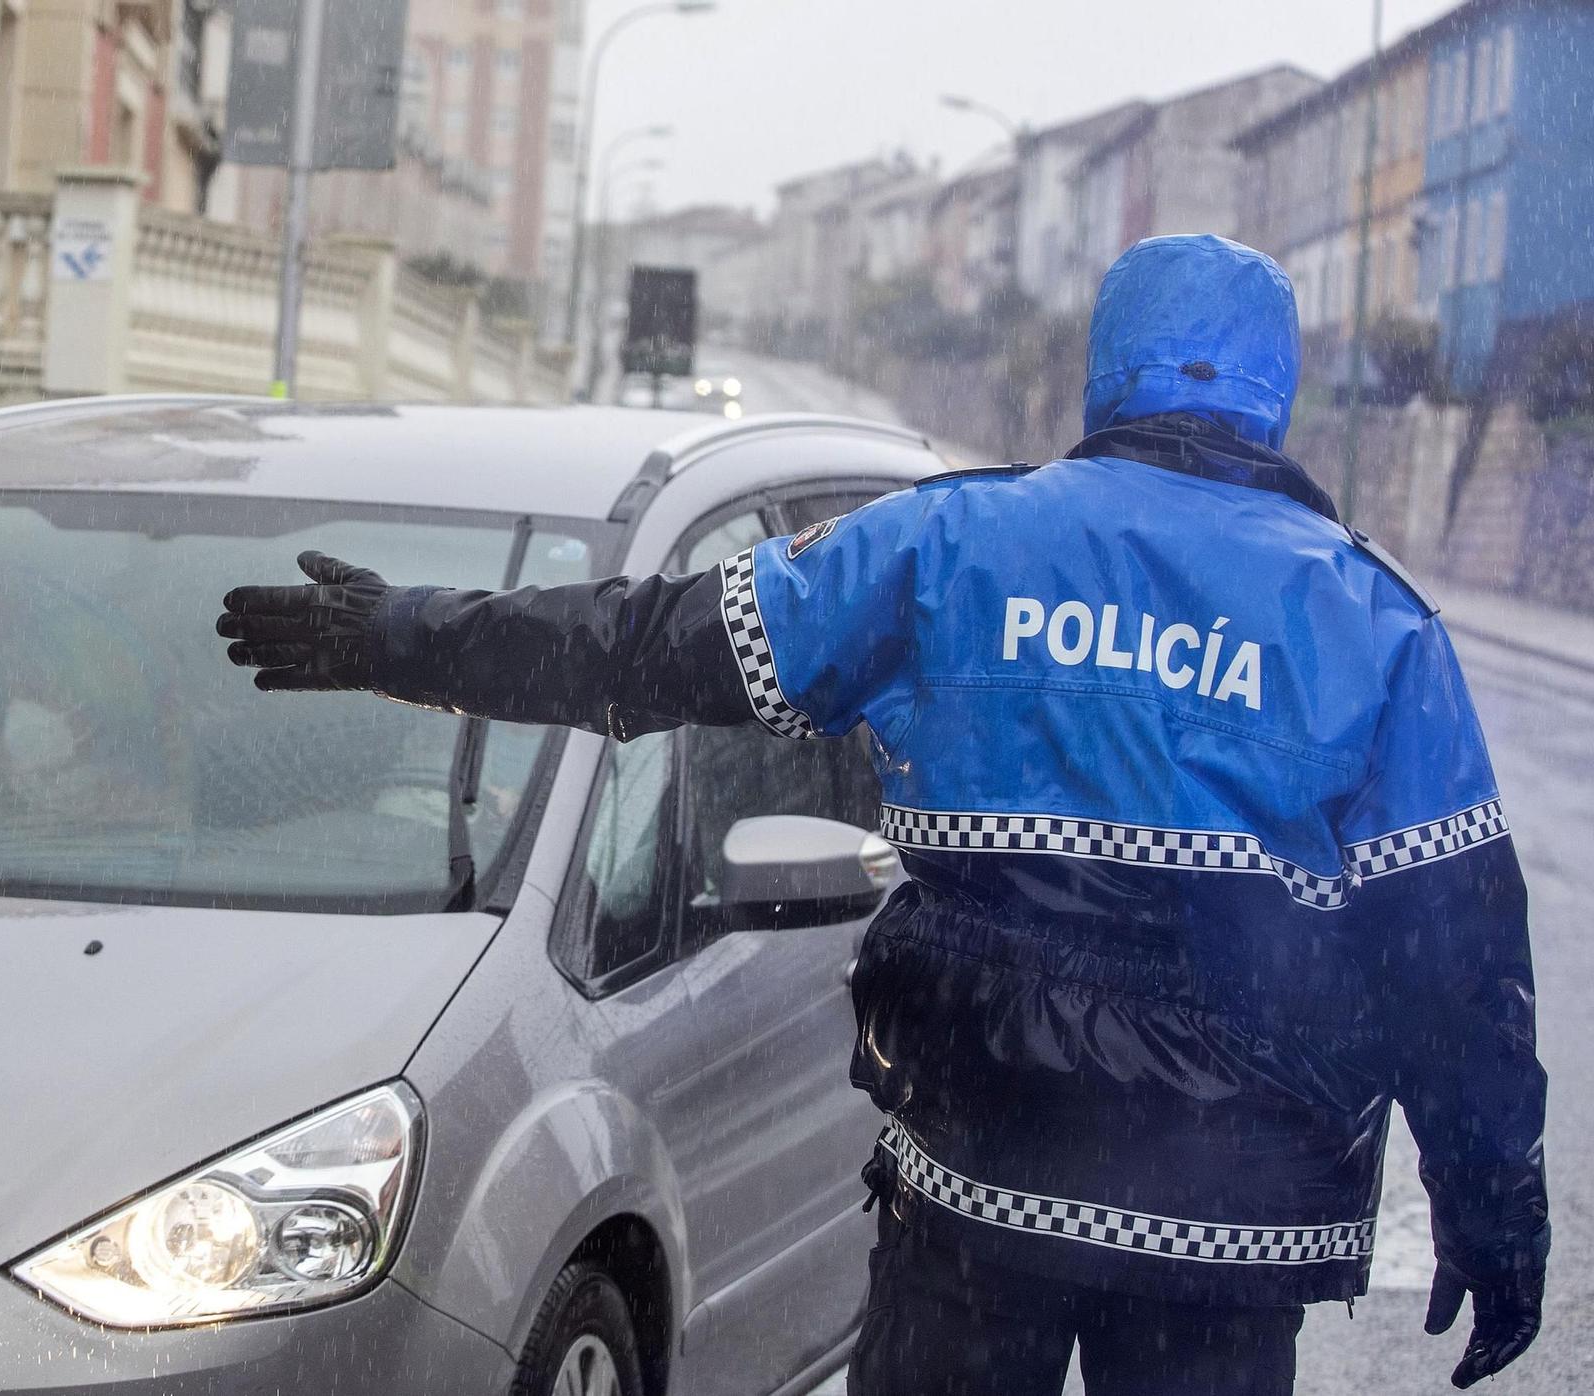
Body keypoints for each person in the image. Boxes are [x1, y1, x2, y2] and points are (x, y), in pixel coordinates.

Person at [216, 235, 1547, 1395]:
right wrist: (1496, 1210)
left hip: (981, 1192)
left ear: (1108, 366)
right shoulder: (1371, 622)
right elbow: (1460, 958)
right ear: (1278, 390)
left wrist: (403, 635)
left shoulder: (953, 547)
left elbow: (654, 650)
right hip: (1229, 1233)